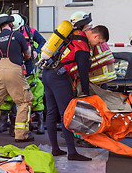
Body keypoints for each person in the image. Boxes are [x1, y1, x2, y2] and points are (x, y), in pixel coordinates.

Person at [42, 13, 109, 162]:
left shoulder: (72, 35)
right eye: (98, 42)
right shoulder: (83, 45)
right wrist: (86, 94)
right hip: (59, 78)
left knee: (52, 113)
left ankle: (55, 149)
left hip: (47, 74)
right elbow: (83, 73)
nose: (96, 45)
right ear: (96, 36)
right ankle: (72, 152)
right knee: (67, 114)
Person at [0, 14, 34, 142]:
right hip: (14, 70)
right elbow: (28, 54)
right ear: (11, 24)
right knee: (24, 101)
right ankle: (21, 135)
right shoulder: (18, 36)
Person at [12, 13, 46, 135]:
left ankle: (40, 123)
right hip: (16, 65)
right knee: (18, 97)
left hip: (30, 65)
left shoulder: (31, 32)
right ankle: (22, 124)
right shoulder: (11, 32)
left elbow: (43, 42)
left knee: (36, 95)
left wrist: (37, 51)